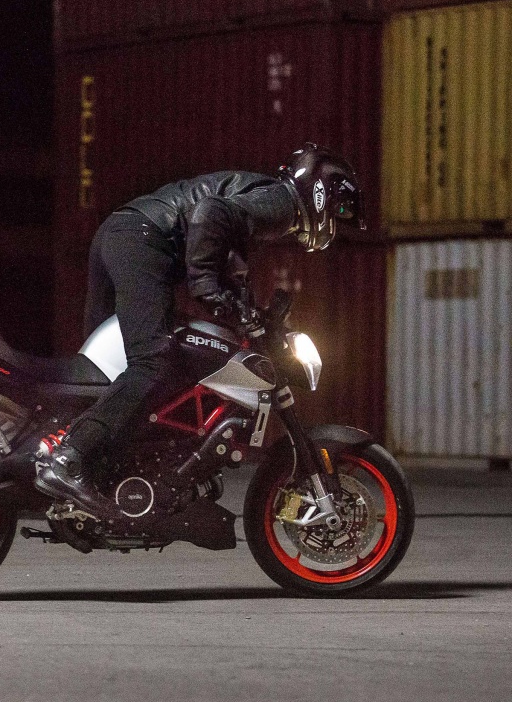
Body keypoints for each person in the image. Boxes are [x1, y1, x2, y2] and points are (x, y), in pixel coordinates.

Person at [35, 144, 365, 517]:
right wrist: (205, 283)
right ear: (323, 190)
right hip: (142, 238)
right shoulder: (282, 203)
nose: (335, 223)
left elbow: (230, 266)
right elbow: (211, 212)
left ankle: (89, 471)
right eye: (339, 211)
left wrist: (252, 314)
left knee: (104, 376)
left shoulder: (262, 200)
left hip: (125, 233)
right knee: (153, 362)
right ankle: (68, 458)